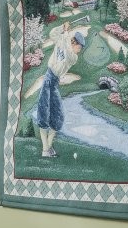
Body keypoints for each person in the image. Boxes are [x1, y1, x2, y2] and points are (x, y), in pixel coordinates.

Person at [25, 24, 87, 158]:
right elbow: (53, 33)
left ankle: (47, 147)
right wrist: (62, 28)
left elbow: (67, 54)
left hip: (53, 84)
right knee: (43, 113)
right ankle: (46, 149)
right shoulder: (63, 41)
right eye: (79, 47)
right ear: (74, 43)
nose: (79, 51)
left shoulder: (73, 57)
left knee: (58, 117)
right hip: (48, 79)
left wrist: (65, 34)